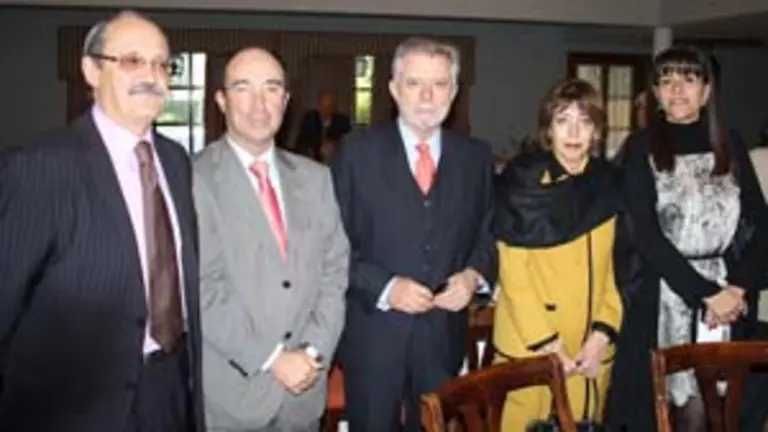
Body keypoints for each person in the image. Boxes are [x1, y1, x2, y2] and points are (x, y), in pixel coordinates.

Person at [0, 11, 204, 431]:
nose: (151, 75)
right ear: (91, 69)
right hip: (75, 407)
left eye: (162, 63)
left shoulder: (175, 161)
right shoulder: (39, 166)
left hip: (169, 393)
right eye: (132, 60)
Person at [329, 37, 497, 432]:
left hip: (442, 338)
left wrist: (473, 275)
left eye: (439, 84)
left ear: (454, 92)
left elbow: (488, 233)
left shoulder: (475, 158)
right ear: (392, 88)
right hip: (373, 337)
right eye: (414, 83)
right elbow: (332, 247)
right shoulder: (355, 154)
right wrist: (386, 287)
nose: (426, 96)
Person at [607, 46, 768, 432]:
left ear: (707, 91)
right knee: (682, 413)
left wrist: (738, 288)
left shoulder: (729, 142)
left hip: (730, 295)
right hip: (663, 295)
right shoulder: (640, 147)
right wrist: (705, 293)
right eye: (666, 80)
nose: (676, 89)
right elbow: (645, 234)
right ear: (657, 94)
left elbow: (761, 223)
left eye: (688, 79)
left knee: (726, 410)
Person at [193, 47, 349, 432]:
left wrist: (312, 351)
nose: (259, 104)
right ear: (220, 100)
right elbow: (200, 287)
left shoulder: (315, 179)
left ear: (286, 100)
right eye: (243, 88)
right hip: (234, 395)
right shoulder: (192, 179)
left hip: (304, 395)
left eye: (272, 88)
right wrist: (274, 358)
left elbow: (335, 271)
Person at [492, 79, 623, 430]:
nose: (574, 131)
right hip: (530, 343)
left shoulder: (610, 185)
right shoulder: (521, 183)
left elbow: (622, 266)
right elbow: (513, 275)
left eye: (585, 120)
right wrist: (549, 345)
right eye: (563, 120)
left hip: (588, 349)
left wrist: (603, 334)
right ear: (548, 129)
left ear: (597, 130)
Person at [295, 90, 352, 160]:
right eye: (323, 107)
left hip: (335, 162)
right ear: (318, 106)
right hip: (314, 162)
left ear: (334, 108)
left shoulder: (342, 122)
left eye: (329, 107)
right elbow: (300, 144)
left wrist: (335, 146)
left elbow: (349, 144)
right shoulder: (310, 119)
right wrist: (317, 149)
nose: (326, 111)